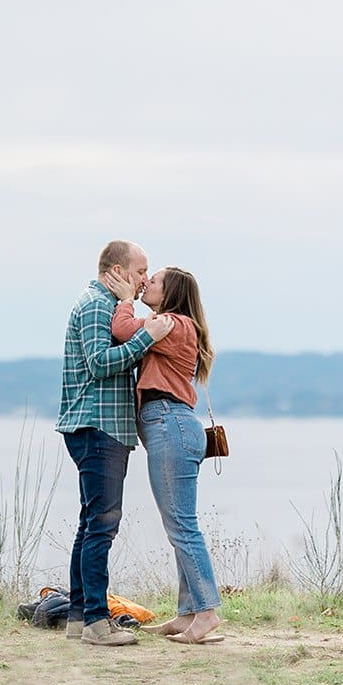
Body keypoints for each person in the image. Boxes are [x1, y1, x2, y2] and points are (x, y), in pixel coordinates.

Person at [57, 240, 175, 647]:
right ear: (119, 270)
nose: (145, 280)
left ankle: (78, 616)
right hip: (96, 427)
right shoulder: (95, 305)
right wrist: (148, 340)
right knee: (102, 526)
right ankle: (96, 622)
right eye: (141, 271)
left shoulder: (111, 307)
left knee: (90, 523)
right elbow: (100, 363)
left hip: (103, 428)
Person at [103, 265, 224, 645]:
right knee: (180, 526)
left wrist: (124, 301)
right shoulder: (178, 325)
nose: (145, 284)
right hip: (171, 425)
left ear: (170, 292)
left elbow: (122, 331)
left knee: (182, 527)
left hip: (170, 424)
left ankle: (206, 612)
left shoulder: (173, 323)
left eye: (153, 281)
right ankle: (188, 613)